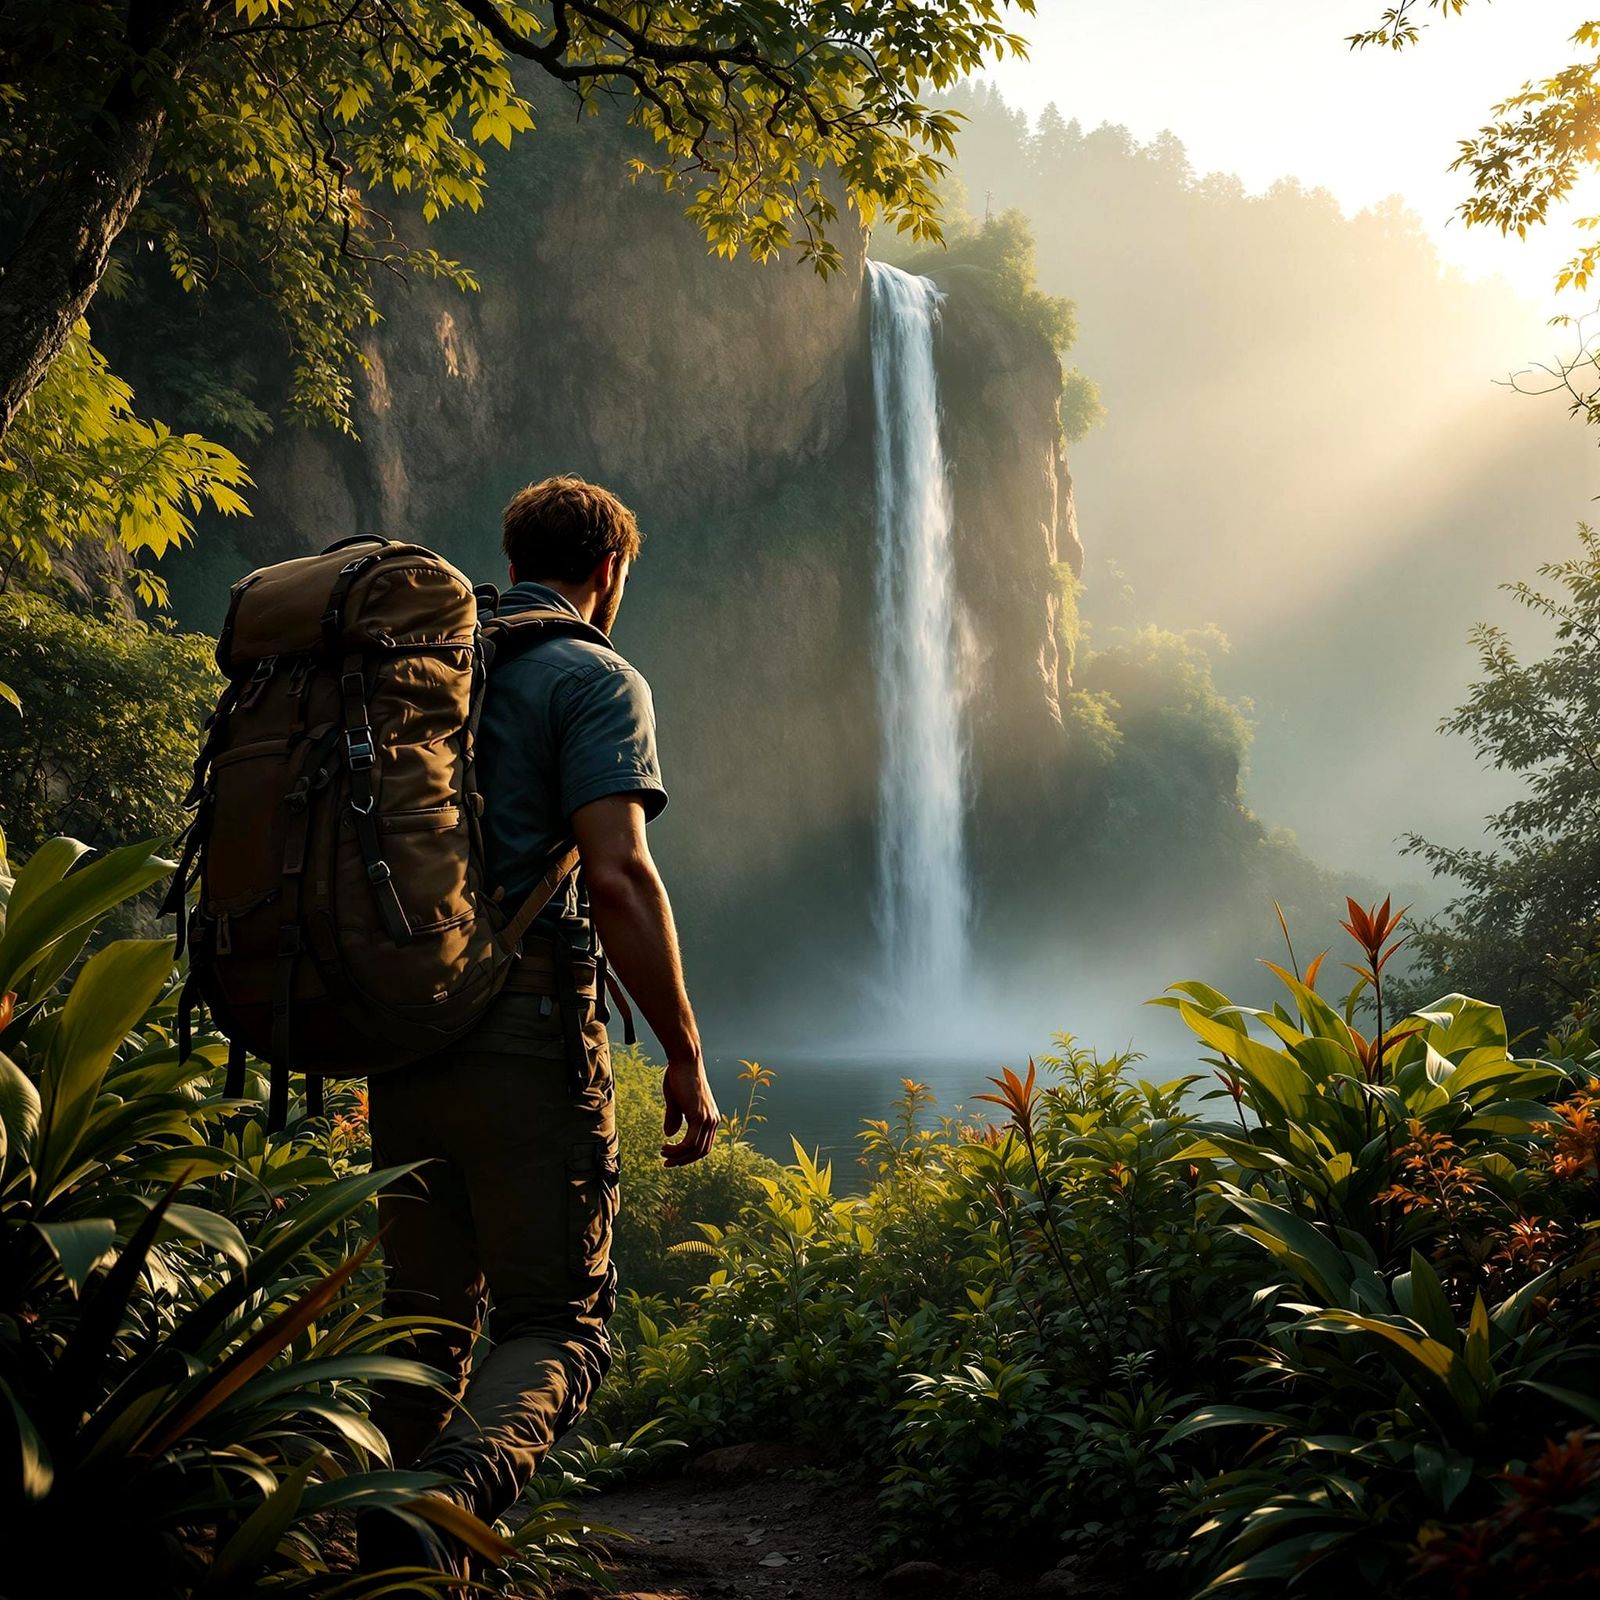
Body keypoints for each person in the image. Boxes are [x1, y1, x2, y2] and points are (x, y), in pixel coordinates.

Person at [359, 474, 720, 1576]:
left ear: (512, 557)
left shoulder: (423, 677)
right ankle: (445, 1509)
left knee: (422, 1315)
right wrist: (684, 1057)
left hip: (405, 1031)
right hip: (522, 1034)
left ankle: (385, 1557)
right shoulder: (593, 676)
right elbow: (617, 877)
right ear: (609, 569)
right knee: (560, 1322)